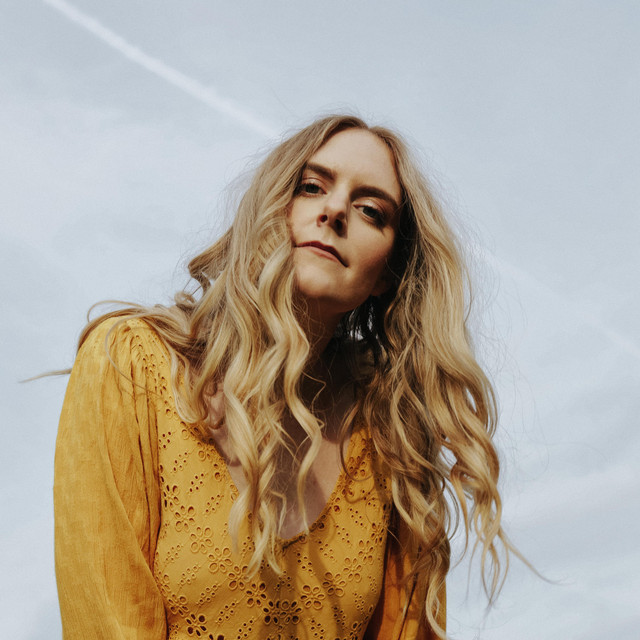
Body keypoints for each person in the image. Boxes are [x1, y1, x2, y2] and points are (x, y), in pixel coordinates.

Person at [54, 115, 512, 639]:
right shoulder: (131, 365)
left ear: (387, 273)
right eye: (312, 186)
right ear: (274, 205)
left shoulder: (391, 442)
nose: (334, 211)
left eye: (371, 211)